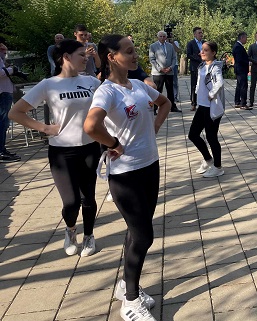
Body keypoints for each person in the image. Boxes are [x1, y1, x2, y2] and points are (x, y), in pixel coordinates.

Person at [84, 34, 170, 321]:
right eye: (129, 52)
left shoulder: (138, 86)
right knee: (144, 236)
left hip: (150, 167)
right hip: (125, 175)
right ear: (112, 57)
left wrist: (153, 128)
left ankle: (126, 286)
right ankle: (130, 301)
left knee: (137, 233)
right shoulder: (107, 92)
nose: (135, 56)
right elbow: (91, 126)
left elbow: (165, 103)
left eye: (134, 51)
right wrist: (112, 144)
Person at [9, 39, 101, 256]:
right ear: (66, 57)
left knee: (88, 198)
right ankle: (70, 230)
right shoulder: (48, 84)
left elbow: (108, 107)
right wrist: (44, 127)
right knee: (71, 202)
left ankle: (89, 236)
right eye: (81, 55)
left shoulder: (91, 82)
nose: (86, 58)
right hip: (62, 151)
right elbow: (16, 112)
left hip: (89, 147)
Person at [188, 41, 225, 178]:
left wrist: (212, 94)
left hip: (212, 107)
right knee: (193, 134)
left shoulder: (215, 67)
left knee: (211, 137)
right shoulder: (202, 66)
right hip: (202, 106)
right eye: (202, 50)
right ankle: (208, 159)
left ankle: (218, 167)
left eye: (206, 50)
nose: (202, 52)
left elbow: (220, 82)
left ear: (213, 53)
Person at [149, 30, 181, 113]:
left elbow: (174, 58)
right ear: (158, 37)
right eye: (161, 36)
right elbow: (152, 59)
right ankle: (154, 108)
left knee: (170, 90)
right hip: (158, 72)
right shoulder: (153, 46)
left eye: (164, 36)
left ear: (166, 37)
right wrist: (160, 69)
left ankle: (172, 107)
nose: (162, 38)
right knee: (157, 90)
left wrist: (171, 67)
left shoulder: (170, 46)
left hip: (169, 72)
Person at [0, 44, 20, 162]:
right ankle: (1, 151)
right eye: (2, 50)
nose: (4, 52)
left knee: (3, 123)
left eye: (5, 50)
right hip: (3, 93)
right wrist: (12, 70)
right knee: (3, 123)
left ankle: (2, 149)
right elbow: (1, 73)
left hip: (5, 92)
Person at [186, 27, 204, 111]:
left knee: (203, 85)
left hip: (204, 67)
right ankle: (193, 103)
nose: (201, 34)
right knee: (194, 86)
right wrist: (199, 57)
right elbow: (189, 55)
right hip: (195, 67)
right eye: (199, 33)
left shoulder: (204, 43)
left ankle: (202, 103)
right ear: (195, 34)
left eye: (201, 33)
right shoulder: (191, 43)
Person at [232, 32, 251, 110]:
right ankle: (243, 103)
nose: (246, 40)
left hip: (240, 69)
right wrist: (248, 62)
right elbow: (239, 59)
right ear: (242, 38)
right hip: (241, 69)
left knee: (239, 86)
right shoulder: (238, 47)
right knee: (243, 86)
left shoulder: (238, 46)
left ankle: (237, 102)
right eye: (246, 38)